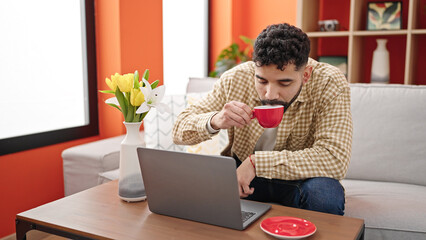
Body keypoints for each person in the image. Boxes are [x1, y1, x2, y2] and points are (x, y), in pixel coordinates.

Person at [172, 23, 352, 216]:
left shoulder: (329, 82)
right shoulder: (236, 78)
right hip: (241, 176)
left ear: (305, 75)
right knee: (186, 184)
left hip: (299, 179)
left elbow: (335, 158)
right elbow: (178, 130)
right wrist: (216, 119)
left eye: (284, 82)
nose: (270, 94)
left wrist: (257, 163)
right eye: (262, 81)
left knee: (324, 195)